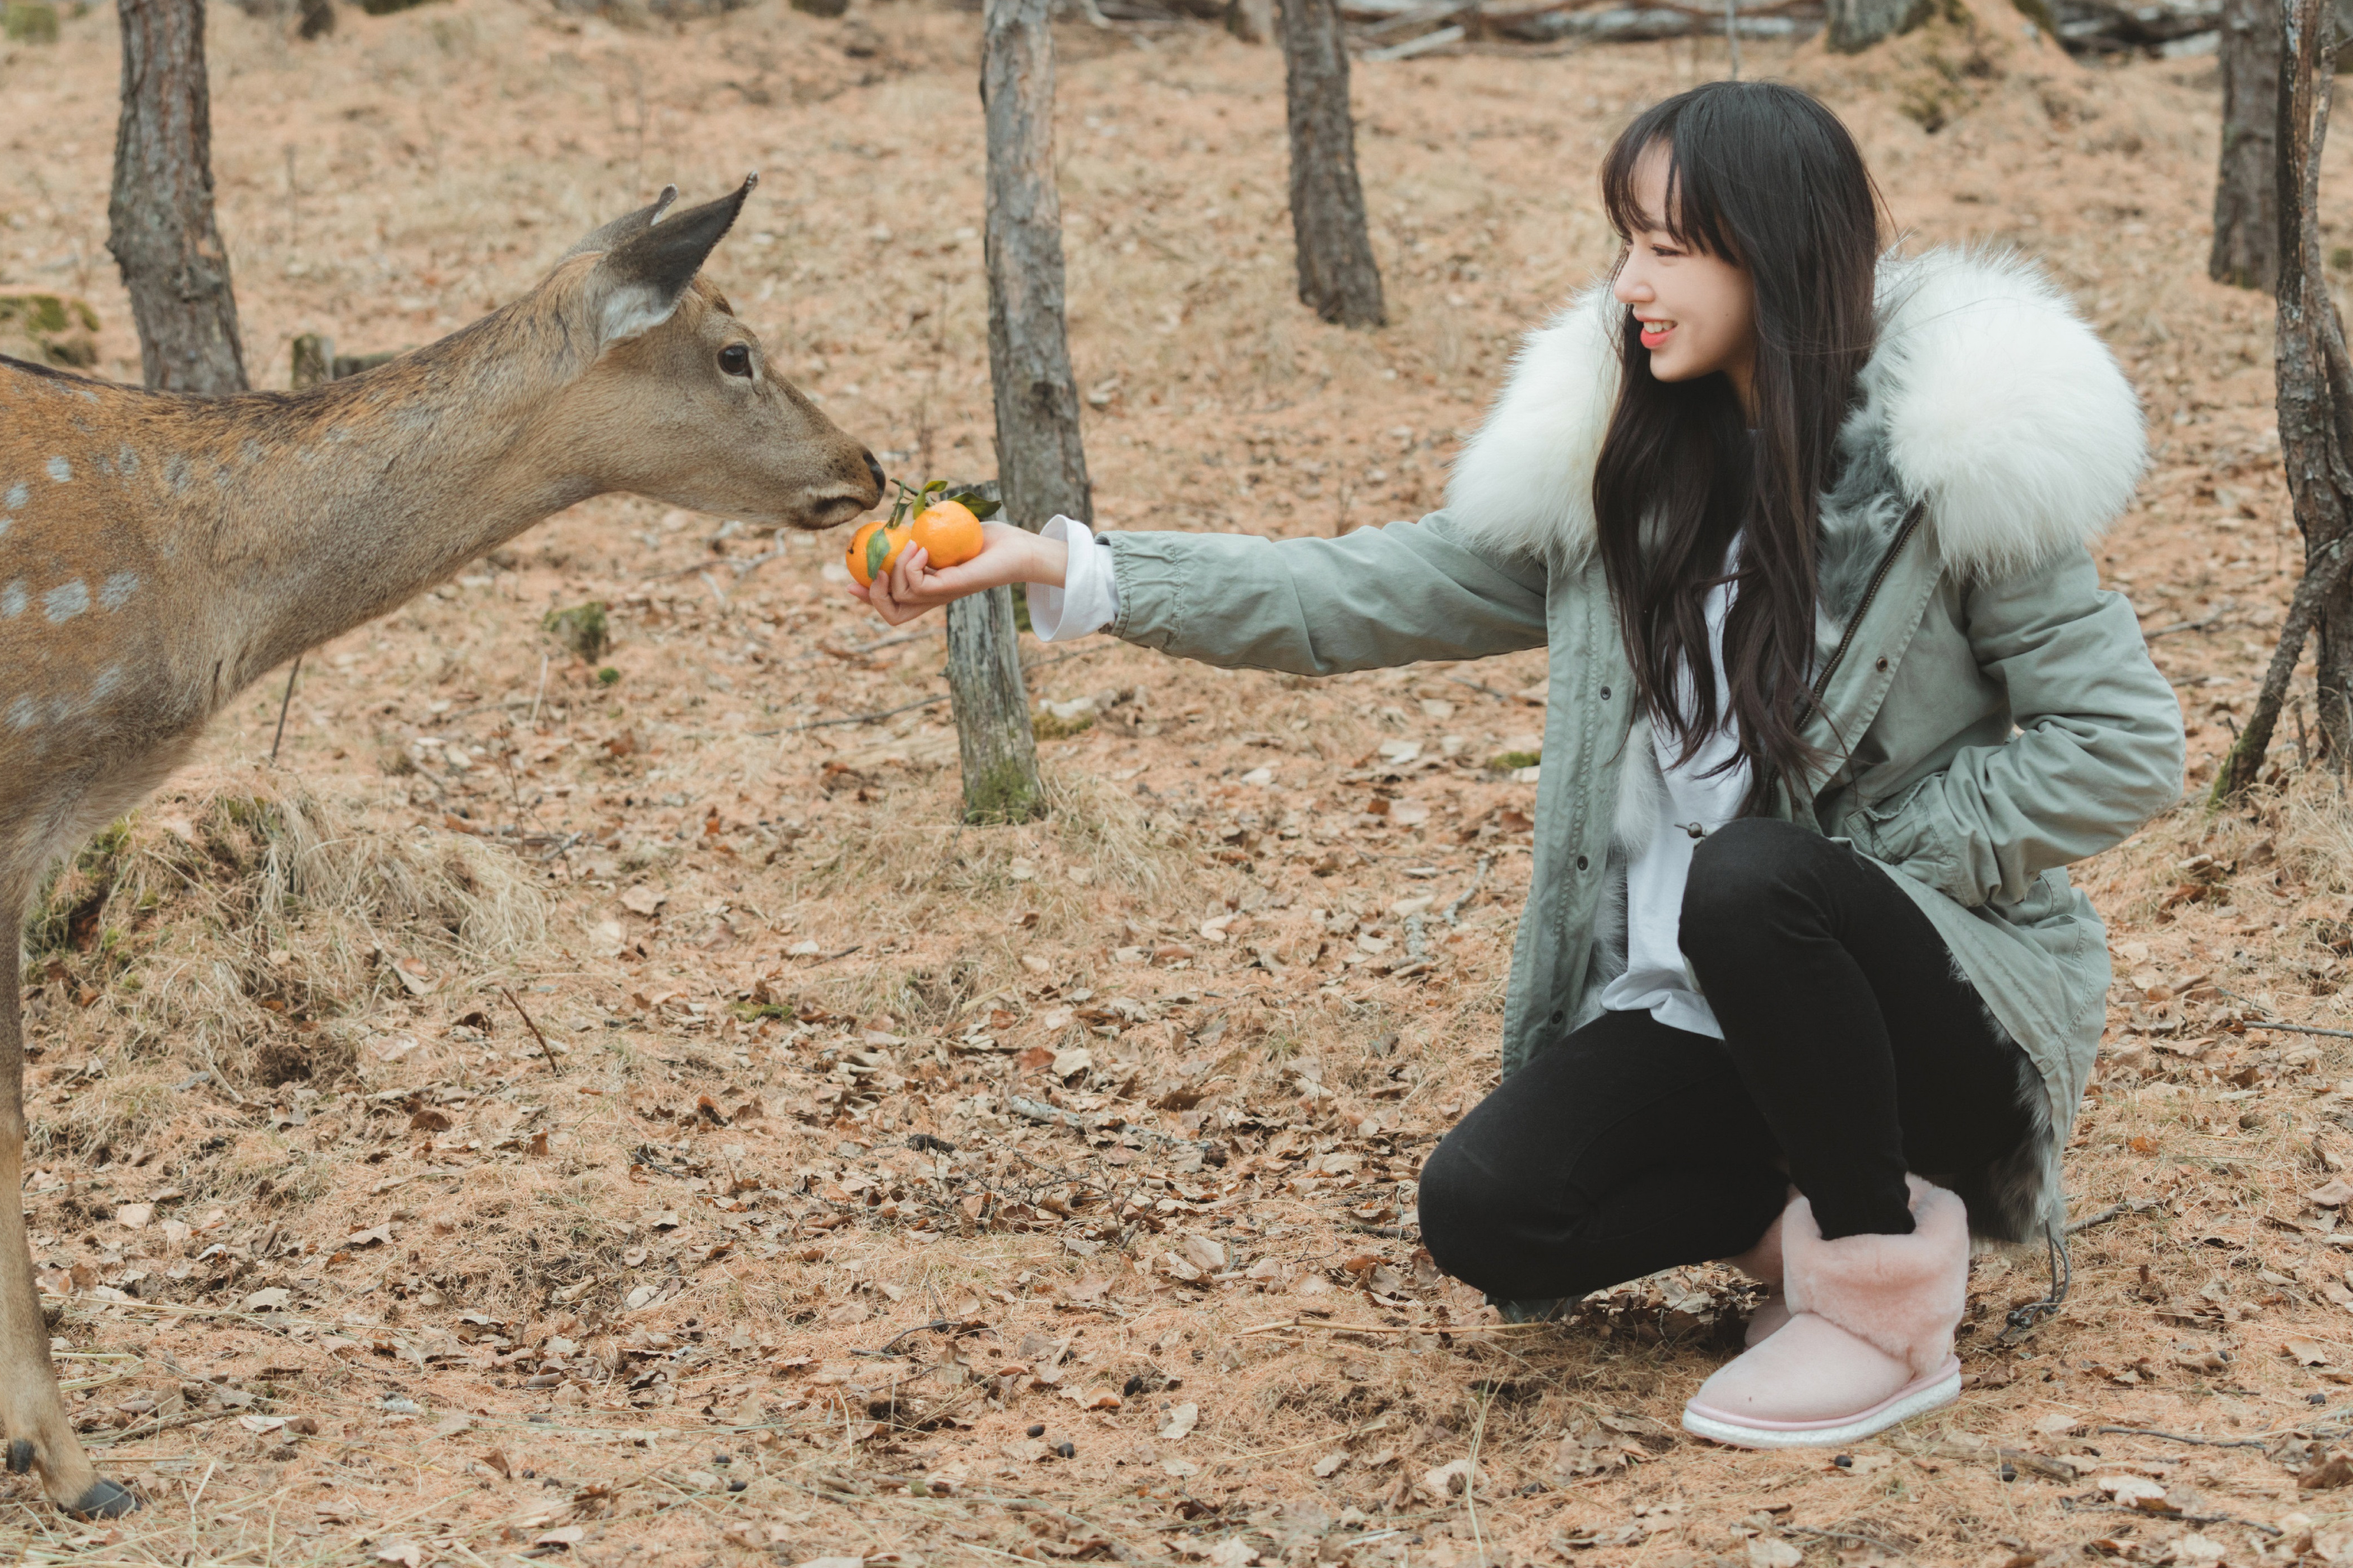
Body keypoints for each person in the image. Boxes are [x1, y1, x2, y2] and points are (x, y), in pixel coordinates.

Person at [852, 81, 2185, 1449]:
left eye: (1669, 247)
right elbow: (1350, 591)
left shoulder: (1950, 470)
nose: (1630, 283)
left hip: (1939, 1013)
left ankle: (1882, 1310)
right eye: (1626, 241)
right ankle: (1806, 1235)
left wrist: (1880, 857)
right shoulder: (1623, 478)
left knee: (1755, 880)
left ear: (1773, 253)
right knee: (1489, 1210)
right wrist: (1072, 566)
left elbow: (2125, 745)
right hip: (1716, 1004)